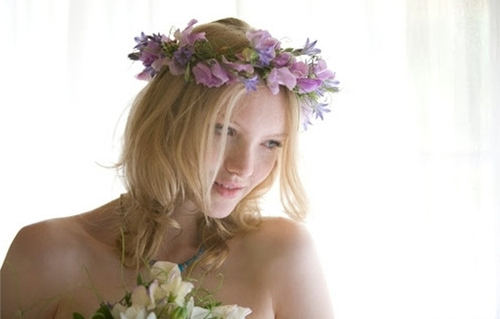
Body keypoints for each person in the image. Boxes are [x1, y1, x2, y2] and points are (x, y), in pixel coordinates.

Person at [1, 17, 339, 318]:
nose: (243, 167)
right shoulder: (44, 253)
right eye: (223, 131)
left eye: (271, 143)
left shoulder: (284, 254)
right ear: (167, 122)